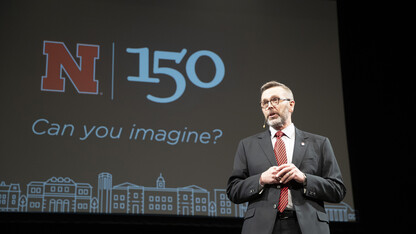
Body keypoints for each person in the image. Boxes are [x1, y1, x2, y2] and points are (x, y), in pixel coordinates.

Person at [226, 81, 346, 234]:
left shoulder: (319, 143)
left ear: (291, 105)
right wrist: (261, 179)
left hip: (307, 227)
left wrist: (304, 179)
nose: (269, 106)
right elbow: (233, 190)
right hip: (261, 227)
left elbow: (338, 190)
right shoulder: (247, 145)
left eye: (275, 100)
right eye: (264, 103)